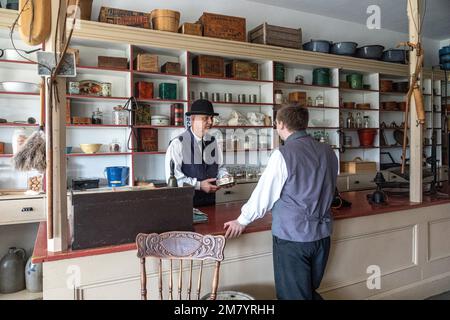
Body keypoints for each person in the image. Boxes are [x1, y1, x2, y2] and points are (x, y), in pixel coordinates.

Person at [223, 104, 338, 300]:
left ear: (282, 124)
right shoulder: (328, 151)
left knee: (292, 296)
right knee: (308, 292)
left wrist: (242, 220)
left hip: (293, 238)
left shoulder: (283, 154)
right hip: (322, 235)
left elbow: (263, 195)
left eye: (276, 123)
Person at [165, 99, 230, 207]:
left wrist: (225, 177)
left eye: (211, 118)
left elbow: (220, 168)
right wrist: (199, 185)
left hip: (210, 203)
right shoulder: (177, 144)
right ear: (193, 119)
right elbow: (173, 180)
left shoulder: (214, 142)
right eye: (205, 118)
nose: (210, 122)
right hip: (185, 206)